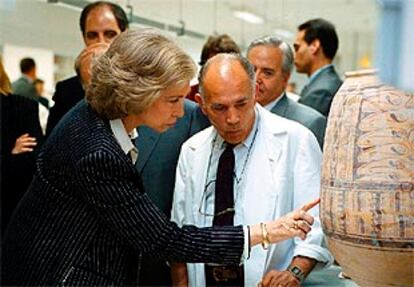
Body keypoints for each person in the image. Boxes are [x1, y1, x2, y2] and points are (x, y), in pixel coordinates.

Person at [1, 29, 319, 286]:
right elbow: (165, 239)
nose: (181, 113)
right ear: (138, 94)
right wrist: (265, 232)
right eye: (172, 100)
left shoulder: (93, 119)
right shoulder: (97, 151)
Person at [171, 54, 332, 287]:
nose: (233, 118)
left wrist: (293, 273)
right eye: (219, 108)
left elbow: (315, 227)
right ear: (201, 104)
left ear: (255, 92)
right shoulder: (192, 150)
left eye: (241, 104)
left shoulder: (295, 140)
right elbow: (179, 236)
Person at [46, 1, 128, 136]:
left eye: (110, 34)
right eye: (92, 35)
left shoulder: (145, 87)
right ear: (84, 38)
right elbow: (52, 146)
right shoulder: (66, 91)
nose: (101, 42)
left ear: (124, 36)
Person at [247, 35, 327, 148]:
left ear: (285, 78)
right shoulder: (234, 118)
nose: (256, 78)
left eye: (267, 73)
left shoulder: (309, 124)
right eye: (251, 70)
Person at [0, 59, 44, 233]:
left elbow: (31, 165)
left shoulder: (21, 108)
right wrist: (10, 154)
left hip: (10, 216)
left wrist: (10, 158)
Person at [294, 18, 343, 117]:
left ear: (314, 46)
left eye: (297, 48)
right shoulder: (328, 82)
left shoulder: (320, 92)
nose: (294, 55)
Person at [187, 34, 241, 102]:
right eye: (211, 66)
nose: (218, 74)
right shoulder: (188, 96)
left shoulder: (242, 96)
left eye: (223, 68)